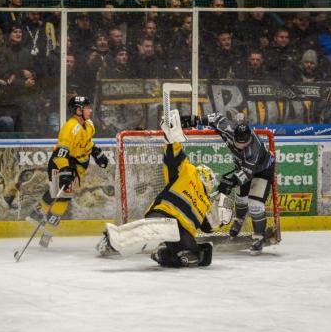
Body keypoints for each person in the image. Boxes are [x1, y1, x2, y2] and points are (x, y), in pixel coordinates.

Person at [96, 112, 218, 267]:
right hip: (164, 215)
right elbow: (173, 157)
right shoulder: (189, 172)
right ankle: (112, 239)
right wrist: (172, 138)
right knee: (149, 235)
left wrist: (220, 216)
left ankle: (164, 254)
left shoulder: (206, 202)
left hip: (181, 231)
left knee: (200, 257)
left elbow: (209, 229)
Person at [180, 113, 276, 253]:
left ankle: (258, 237)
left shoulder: (253, 150)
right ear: (235, 137)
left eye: (245, 142)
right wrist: (197, 120)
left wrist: (231, 182)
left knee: (255, 204)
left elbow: (247, 173)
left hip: (262, 170)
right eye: (240, 142)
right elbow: (216, 118)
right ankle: (239, 219)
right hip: (242, 167)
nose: (242, 145)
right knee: (240, 198)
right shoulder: (229, 129)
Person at [27, 96, 110, 247]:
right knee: (58, 194)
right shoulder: (69, 128)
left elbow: (87, 142)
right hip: (61, 164)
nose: (89, 110)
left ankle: (47, 232)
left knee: (64, 199)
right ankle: (37, 214)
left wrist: (97, 153)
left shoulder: (89, 124)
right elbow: (60, 154)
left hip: (76, 167)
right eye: (86, 108)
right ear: (78, 110)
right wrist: (65, 173)